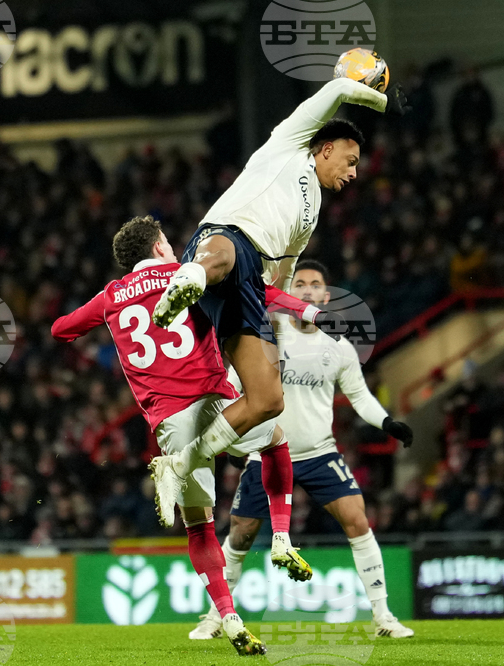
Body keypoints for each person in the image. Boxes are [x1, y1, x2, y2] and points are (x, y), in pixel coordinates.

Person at [50, 216, 323, 656]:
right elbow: (260, 292)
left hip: (169, 422)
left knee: (199, 526)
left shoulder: (110, 297)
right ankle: (281, 537)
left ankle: (228, 616)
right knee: (274, 440)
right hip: (217, 401)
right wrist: (302, 307)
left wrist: (97, 316)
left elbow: (60, 329)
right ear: (159, 245)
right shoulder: (187, 275)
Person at [148, 78, 410, 523]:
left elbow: (281, 278)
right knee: (226, 252)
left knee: (269, 399)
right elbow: (333, 93)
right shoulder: (287, 145)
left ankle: (179, 462)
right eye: (350, 161)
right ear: (326, 148)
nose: (352, 172)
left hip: (248, 286)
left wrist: (276, 328)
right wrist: (377, 95)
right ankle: (187, 279)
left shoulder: (310, 215)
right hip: (225, 240)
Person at [188, 261, 415, 641]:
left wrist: (387, 423)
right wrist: (232, 433)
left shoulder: (338, 346)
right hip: (267, 451)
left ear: (325, 297)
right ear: (291, 294)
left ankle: (383, 617)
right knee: (241, 533)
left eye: (315, 286)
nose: (308, 291)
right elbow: (233, 381)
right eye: (301, 284)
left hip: (319, 453)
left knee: (357, 520)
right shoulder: (267, 334)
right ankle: (215, 616)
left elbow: (359, 397)